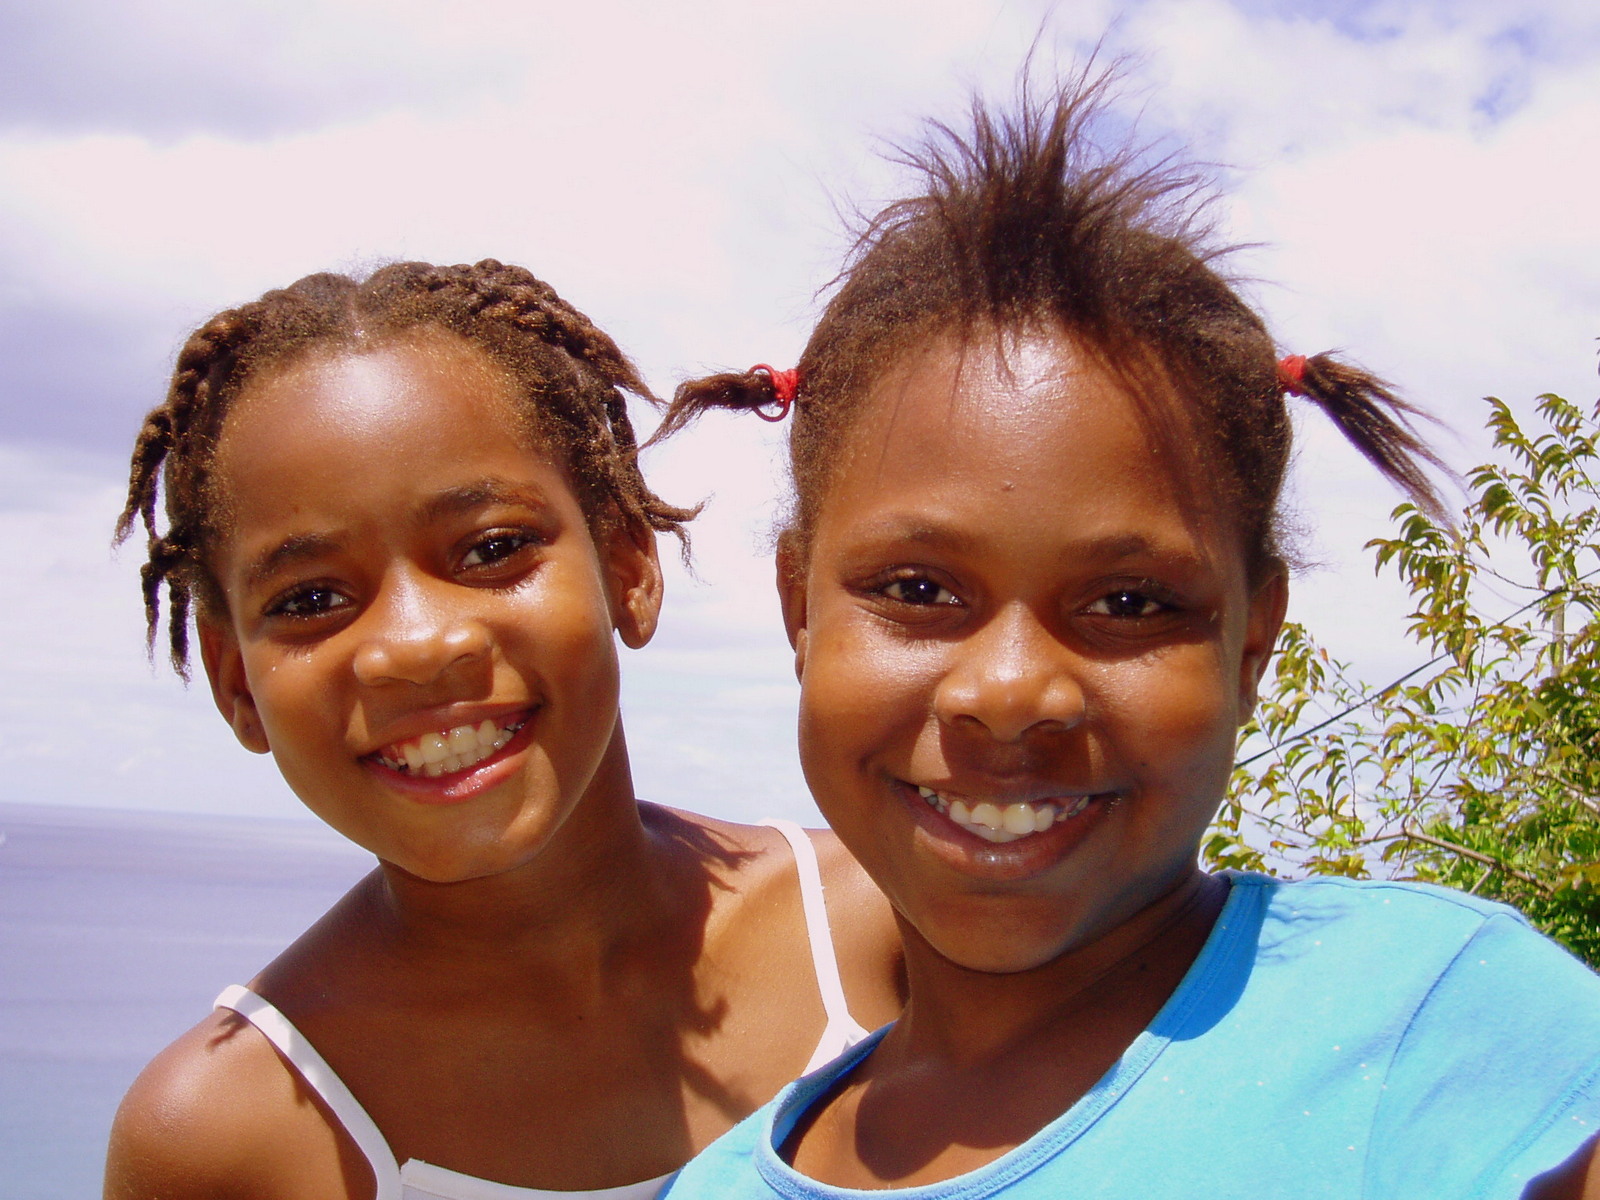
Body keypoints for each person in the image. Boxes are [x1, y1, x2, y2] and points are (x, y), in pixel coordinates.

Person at [650, 74, 1600, 1199]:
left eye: (1130, 604)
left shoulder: (1452, 1036)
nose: (1011, 691)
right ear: (799, 611)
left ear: (1252, 646)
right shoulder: (713, 1188)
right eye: (918, 587)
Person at [103, 259, 903, 1200]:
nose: (414, 647)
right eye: (311, 599)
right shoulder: (220, 1139)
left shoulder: (894, 928)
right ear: (236, 681)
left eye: (492, 548)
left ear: (627, 564)